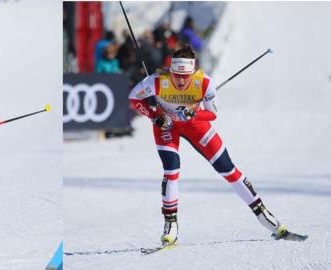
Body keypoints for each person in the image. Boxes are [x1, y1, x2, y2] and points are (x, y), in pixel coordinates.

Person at [128, 44, 303, 245]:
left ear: (193, 72)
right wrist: (154, 117)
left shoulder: (204, 83)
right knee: (171, 170)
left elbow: (212, 113)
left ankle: (267, 218)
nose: (181, 80)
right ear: (171, 70)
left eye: (186, 76)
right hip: (167, 126)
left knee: (228, 170)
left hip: (196, 126)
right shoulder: (157, 81)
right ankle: (170, 227)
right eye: (177, 75)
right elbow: (134, 97)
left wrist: (195, 112)